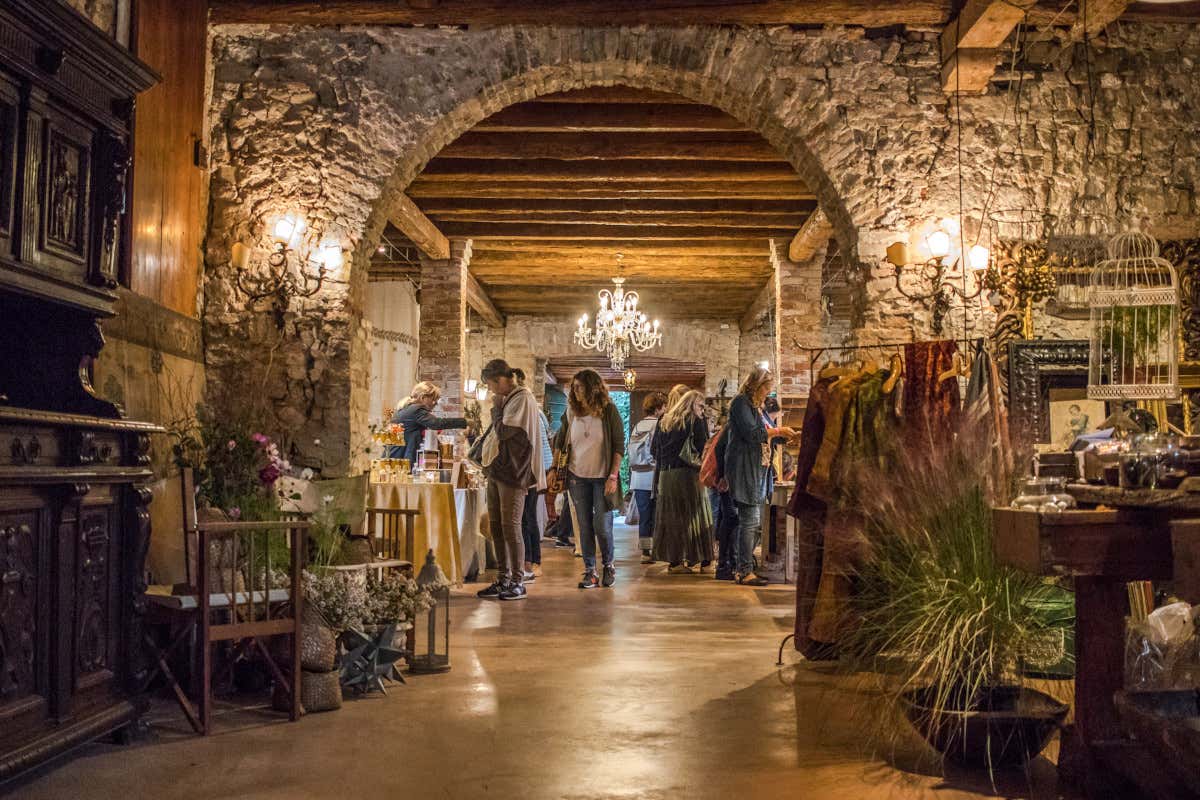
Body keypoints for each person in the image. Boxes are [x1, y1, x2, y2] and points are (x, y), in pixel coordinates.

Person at [475, 360, 546, 602]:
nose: (493, 390)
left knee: (511, 526)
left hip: (514, 472)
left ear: (502, 379)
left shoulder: (522, 397)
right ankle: (503, 578)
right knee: (496, 525)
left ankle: (518, 580)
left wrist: (495, 409)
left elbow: (505, 431)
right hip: (498, 470)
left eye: (493, 384)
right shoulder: (509, 398)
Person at [550, 369, 624, 590]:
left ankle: (608, 565)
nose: (575, 391)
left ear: (592, 387)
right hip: (577, 477)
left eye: (579, 386)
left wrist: (613, 475)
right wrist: (554, 468)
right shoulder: (571, 412)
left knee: (602, 525)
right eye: (573, 387)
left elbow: (618, 445)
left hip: (602, 478)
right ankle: (590, 571)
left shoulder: (609, 411)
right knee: (583, 525)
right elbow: (560, 440)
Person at [725, 365, 796, 586]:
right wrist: (777, 431)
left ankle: (745, 566)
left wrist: (783, 436)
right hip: (745, 468)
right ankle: (744, 570)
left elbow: (765, 432)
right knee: (750, 520)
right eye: (766, 387)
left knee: (753, 521)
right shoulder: (741, 403)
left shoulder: (757, 407)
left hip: (759, 469)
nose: (768, 392)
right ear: (757, 385)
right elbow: (753, 433)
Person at [651, 389, 714, 573]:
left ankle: (675, 562)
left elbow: (655, 450)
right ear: (693, 404)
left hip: (666, 475)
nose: (702, 410)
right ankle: (704, 560)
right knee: (698, 515)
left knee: (672, 518)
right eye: (701, 406)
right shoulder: (696, 420)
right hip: (688, 475)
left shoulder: (664, 420)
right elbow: (704, 448)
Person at [513, 368, 551, 581]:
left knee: (526, 517)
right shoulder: (536, 411)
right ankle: (532, 561)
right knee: (528, 517)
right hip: (536, 468)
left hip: (530, 470)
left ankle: (530, 563)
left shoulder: (527, 408)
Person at [628, 391, 667, 564]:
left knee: (645, 516)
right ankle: (657, 549)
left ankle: (645, 551)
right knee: (657, 515)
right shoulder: (658, 425)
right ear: (659, 408)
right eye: (665, 406)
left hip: (638, 476)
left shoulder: (638, 425)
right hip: (653, 476)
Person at [389, 381, 468, 464]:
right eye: (433, 399)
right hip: (401, 460)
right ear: (423, 397)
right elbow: (437, 423)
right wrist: (465, 422)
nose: (436, 403)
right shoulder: (417, 410)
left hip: (395, 456)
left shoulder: (405, 408)